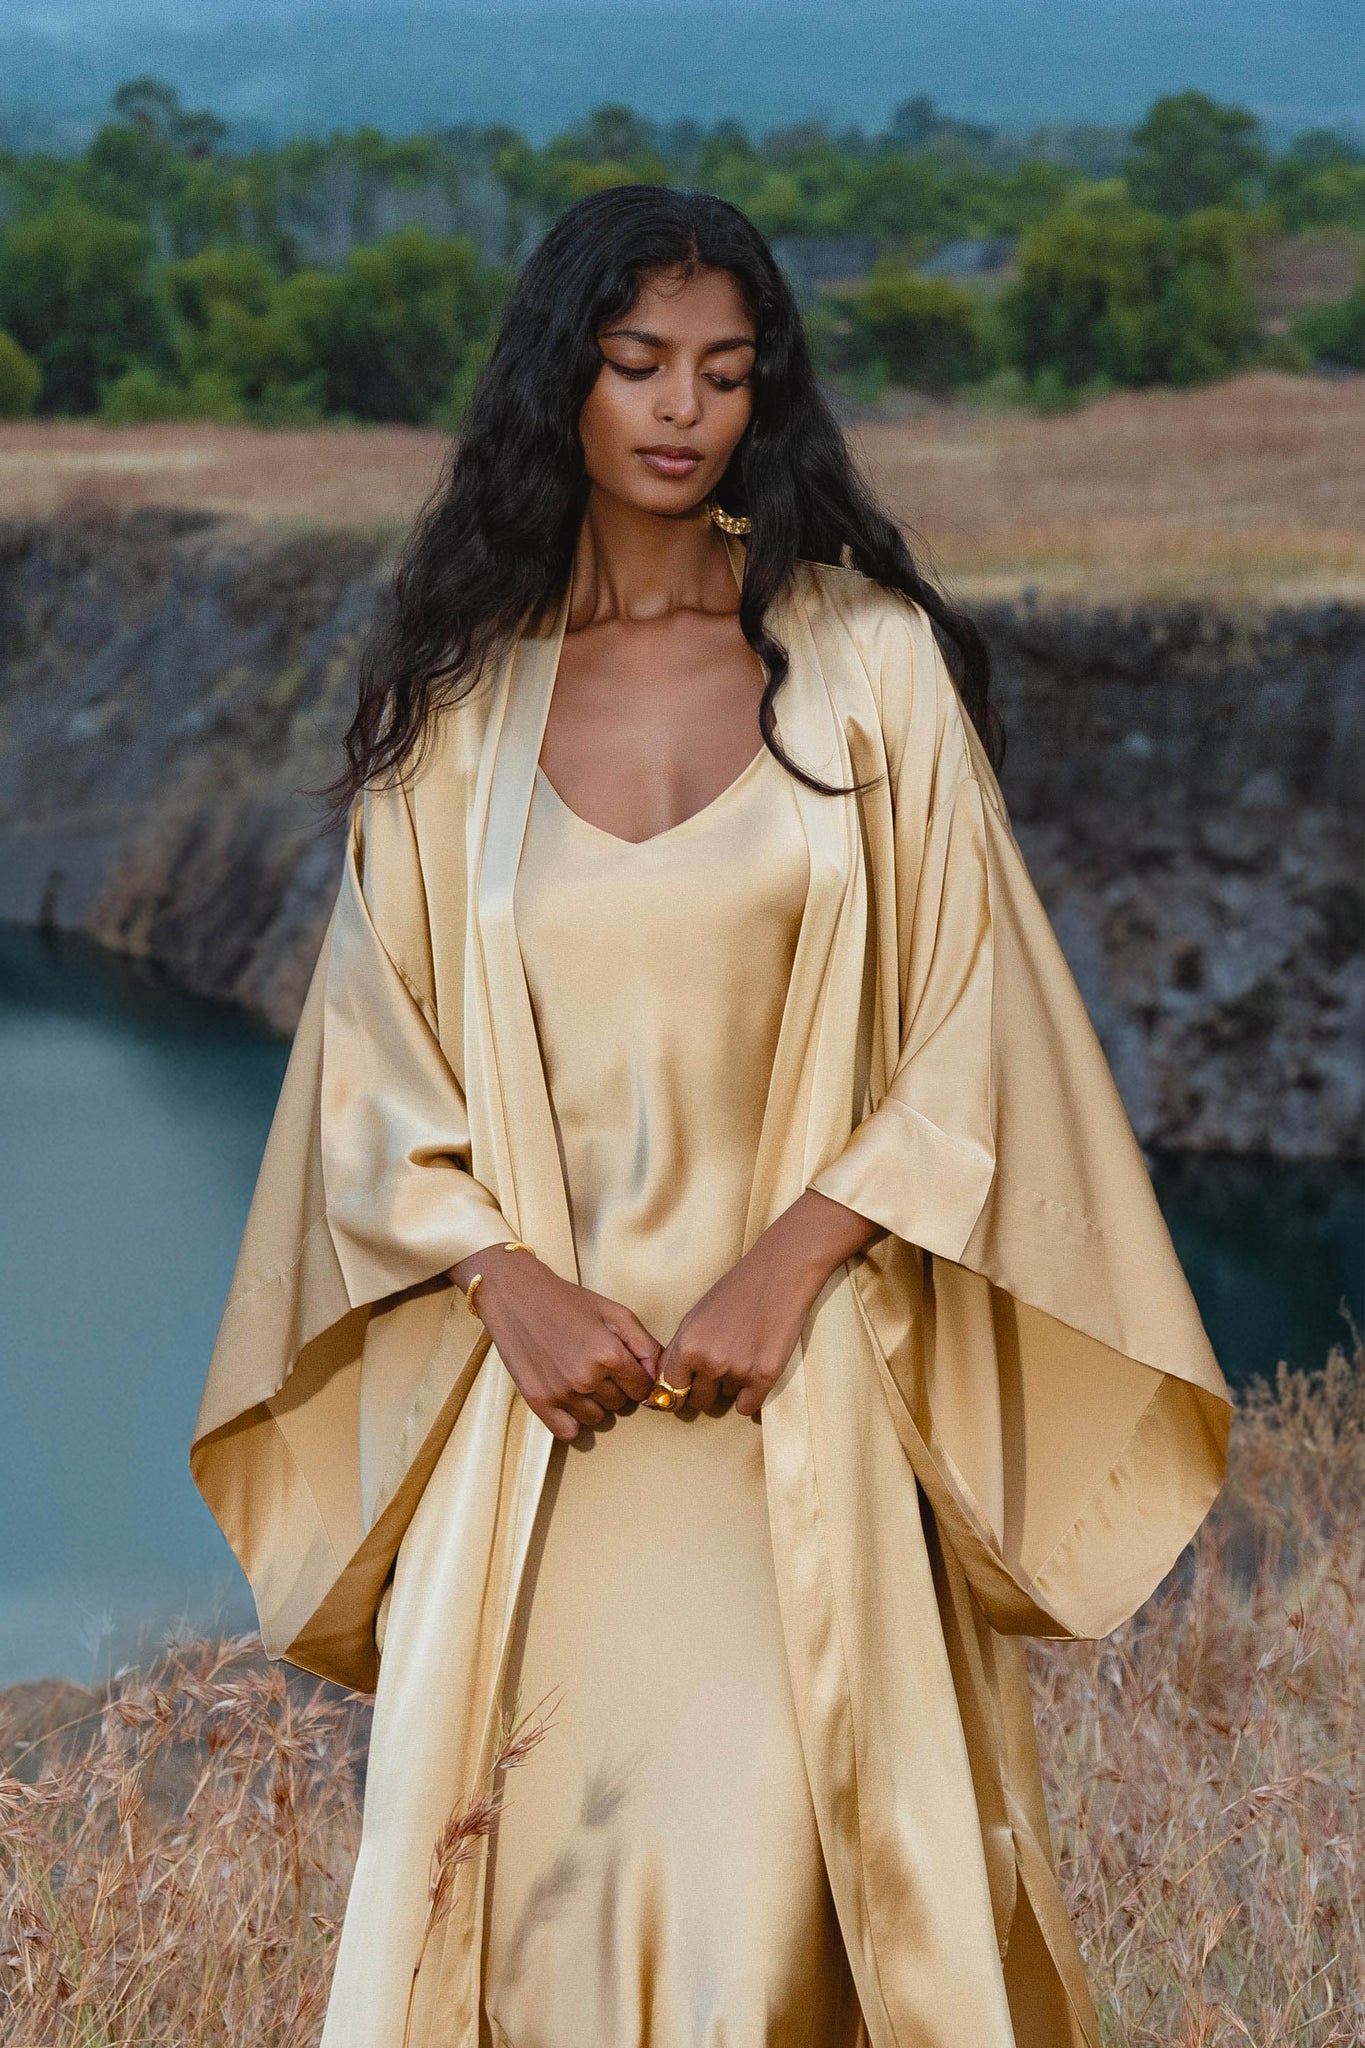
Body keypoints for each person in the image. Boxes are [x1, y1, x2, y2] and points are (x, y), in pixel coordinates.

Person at [191, 186, 1232, 2048]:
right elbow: (371, 1068)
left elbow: (977, 1022)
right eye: (637, 362)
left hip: (798, 1409)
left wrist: (790, 1263)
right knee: (526, 1928)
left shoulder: (867, 663)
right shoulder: (458, 707)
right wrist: (502, 1281)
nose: (681, 409)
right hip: (540, 1433)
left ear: (767, 396)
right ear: (562, 381)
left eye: (725, 372)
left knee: (779, 1924)